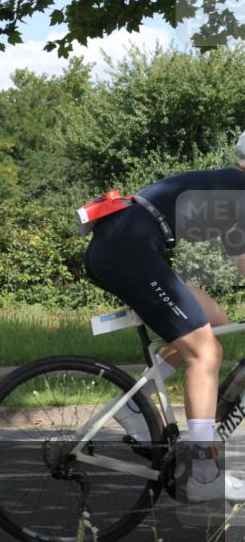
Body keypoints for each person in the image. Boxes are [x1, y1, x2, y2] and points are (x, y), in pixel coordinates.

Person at [83, 131, 245, 502]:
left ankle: (133, 410)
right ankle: (203, 474)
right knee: (206, 354)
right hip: (129, 248)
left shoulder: (228, 184)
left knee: (214, 318)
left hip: (122, 243)